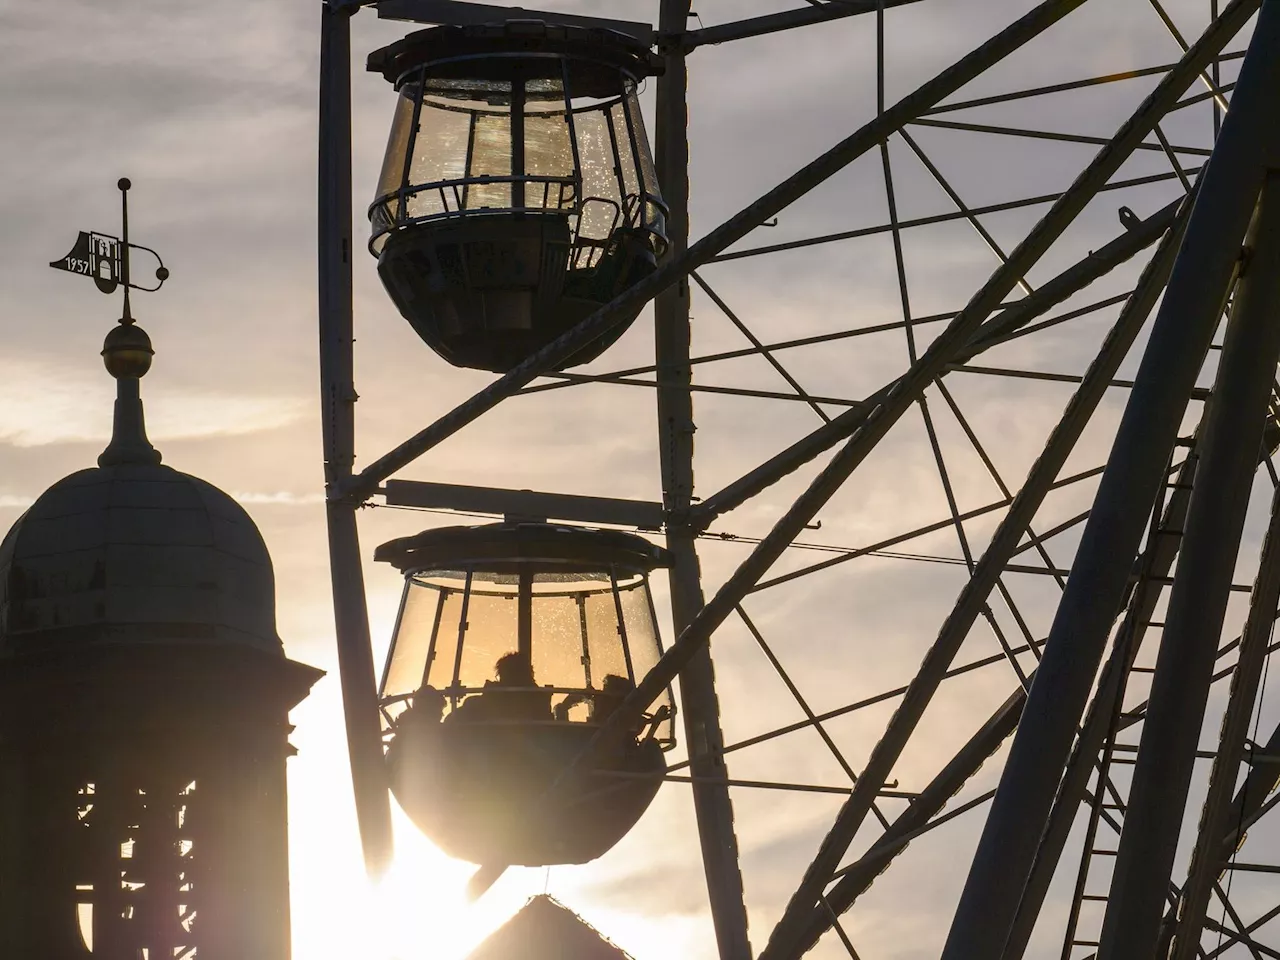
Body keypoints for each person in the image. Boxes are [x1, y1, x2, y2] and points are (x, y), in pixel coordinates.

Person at [447, 652, 552, 724]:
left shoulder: (477, 703)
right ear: (529, 675)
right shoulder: (540, 702)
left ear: (503, 675)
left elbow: (450, 723)